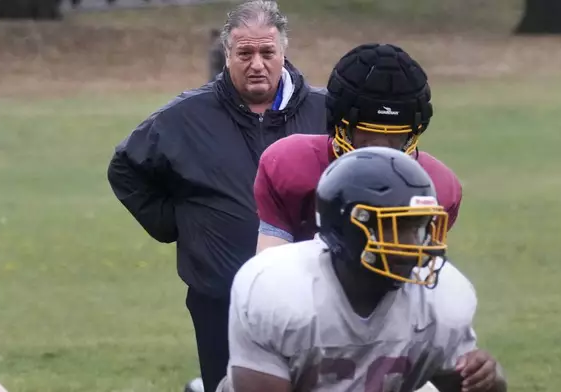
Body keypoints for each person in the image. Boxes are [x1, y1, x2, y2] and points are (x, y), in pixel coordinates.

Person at [106, 1, 326, 391]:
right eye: (245, 53)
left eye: (266, 52)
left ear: (283, 53)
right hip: (220, 301)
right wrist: (177, 225)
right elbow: (125, 169)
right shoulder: (185, 117)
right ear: (227, 55)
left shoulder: (325, 112)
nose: (256, 63)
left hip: (312, 302)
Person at [218, 146, 507, 392]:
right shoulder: (279, 291)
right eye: (394, 229)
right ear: (347, 229)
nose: (412, 244)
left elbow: (467, 384)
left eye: (418, 228)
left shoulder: (441, 299)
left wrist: (487, 380)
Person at [254, 43, 462, 253]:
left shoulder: (437, 187)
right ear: (340, 125)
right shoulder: (291, 165)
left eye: (394, 136)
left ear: (412, 133)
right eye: (367, 134)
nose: (380, 148)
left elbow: (417, 273)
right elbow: (271, 268)